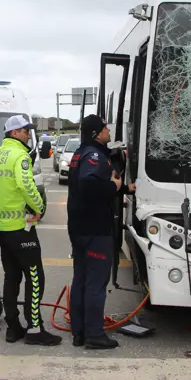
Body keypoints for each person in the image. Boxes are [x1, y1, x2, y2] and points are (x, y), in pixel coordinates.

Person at [0, 115, 60, 346]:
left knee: (12, 277)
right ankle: (34, 328)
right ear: (15, 133)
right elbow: (27, 185)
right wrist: (40, 208)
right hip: (21, 229)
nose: (28, 134)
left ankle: (13, 328)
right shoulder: (20, 156)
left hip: (2, 231)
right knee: (35, 278)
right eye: (25, 131)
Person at [66, 114, 126, 350]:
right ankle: (94, 334)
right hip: (95, 229)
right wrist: (114, 186)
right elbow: (90, 184)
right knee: (95, 283)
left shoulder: (80, 152)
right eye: (104, 128)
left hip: (79, 227)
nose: (108, 130)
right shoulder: (93, 155)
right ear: (96, 133)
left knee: (80, 280)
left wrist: (123, 189)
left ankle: (79, 332)